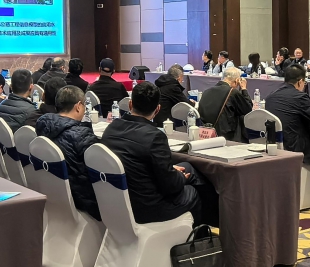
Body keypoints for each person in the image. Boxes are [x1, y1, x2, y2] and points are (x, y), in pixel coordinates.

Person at [101, 82, 213, 225]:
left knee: (187, 167)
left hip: (119, 201)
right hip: (149, 207)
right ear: (158, 109)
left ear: (130, 104)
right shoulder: (155, 137)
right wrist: (180, 177)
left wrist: (171, 170)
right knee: (193, 191)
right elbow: (171, 186)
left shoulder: (111, 129)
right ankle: (202, 233)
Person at [35, 86, 101, 220]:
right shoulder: (82, 135)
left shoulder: (43, 127)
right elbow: (100, 166)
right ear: (78, 106)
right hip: (83, 201)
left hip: (55, 196)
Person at [266, 65, 310, 180]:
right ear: (300, 82)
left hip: (273, 146)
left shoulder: (270, 97)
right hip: (294, 147)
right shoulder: (300, 97)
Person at [197, 67, 254, 141]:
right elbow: (248, 109)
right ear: (237, 81)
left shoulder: (206, 91)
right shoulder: (232, 92)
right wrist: (244, 89)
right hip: (225, 136)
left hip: (205, 133)